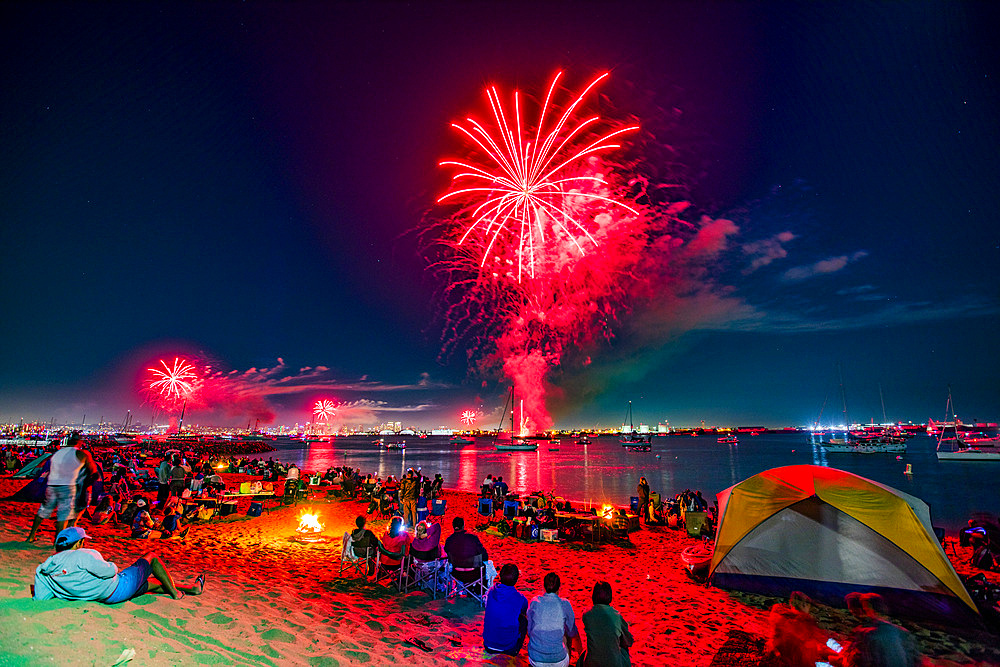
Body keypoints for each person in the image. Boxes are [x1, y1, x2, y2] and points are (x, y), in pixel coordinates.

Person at [33, 527, 204, 603]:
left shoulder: (44, 569)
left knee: (149, 583)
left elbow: (41, 597)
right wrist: (111, 564)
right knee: (151, 557)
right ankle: (175, 593)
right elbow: (109, 571)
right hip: (116, 589)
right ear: (78, 543)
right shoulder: (82, 555)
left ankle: (192, 589)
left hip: (100, 595)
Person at [26, 432, 98, 543]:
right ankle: (57, 541)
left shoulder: (58, 453)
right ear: (79, 442)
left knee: (43, 511)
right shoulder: (82, 454)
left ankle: (31, 535)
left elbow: (46, 466)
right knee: (63, 515)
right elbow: (93, 471)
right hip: (68, 486)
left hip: (52, 484)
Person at [840, 593, 919, 667]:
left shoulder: (867, 634)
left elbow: (861, 662)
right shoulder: (903, 632)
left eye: (865, 608)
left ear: (870, 609)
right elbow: (915, 659)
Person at [527, 572, 580, 667]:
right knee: (567, 631)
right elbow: (572, 632)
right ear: (559, 588)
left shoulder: (535, 602)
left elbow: (530, 631)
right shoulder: (564, 604)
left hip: (535, 658)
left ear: (543, 587)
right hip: (558, 660)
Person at [766, 591, 831, 667]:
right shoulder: (804, 623)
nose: (807, 606)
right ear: (803, 604)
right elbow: (819, 640)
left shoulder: (780, 617)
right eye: (807, 603)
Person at [579, 581, 633, 667]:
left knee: (585, 653)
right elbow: (628, 641)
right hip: (613, 663)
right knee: (624, 650)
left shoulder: (587, 614)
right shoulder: (616, 615)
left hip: (591, 662)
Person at [484, 563, 529, 656]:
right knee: (523, 620)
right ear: (516, 580)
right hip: (508, 648)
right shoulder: (519, 597)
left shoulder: (491, 591)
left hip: (488, 645)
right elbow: (524, 609)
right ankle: (516, 649)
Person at [444, 516, 489, 589]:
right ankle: (479, 590)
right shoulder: (472, 538)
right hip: (474, 574)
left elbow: (447, 555)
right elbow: (484, 556)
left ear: (453, 526)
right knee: (485, 565)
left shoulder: (449, 540)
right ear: (463, 526)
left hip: (457, 573)